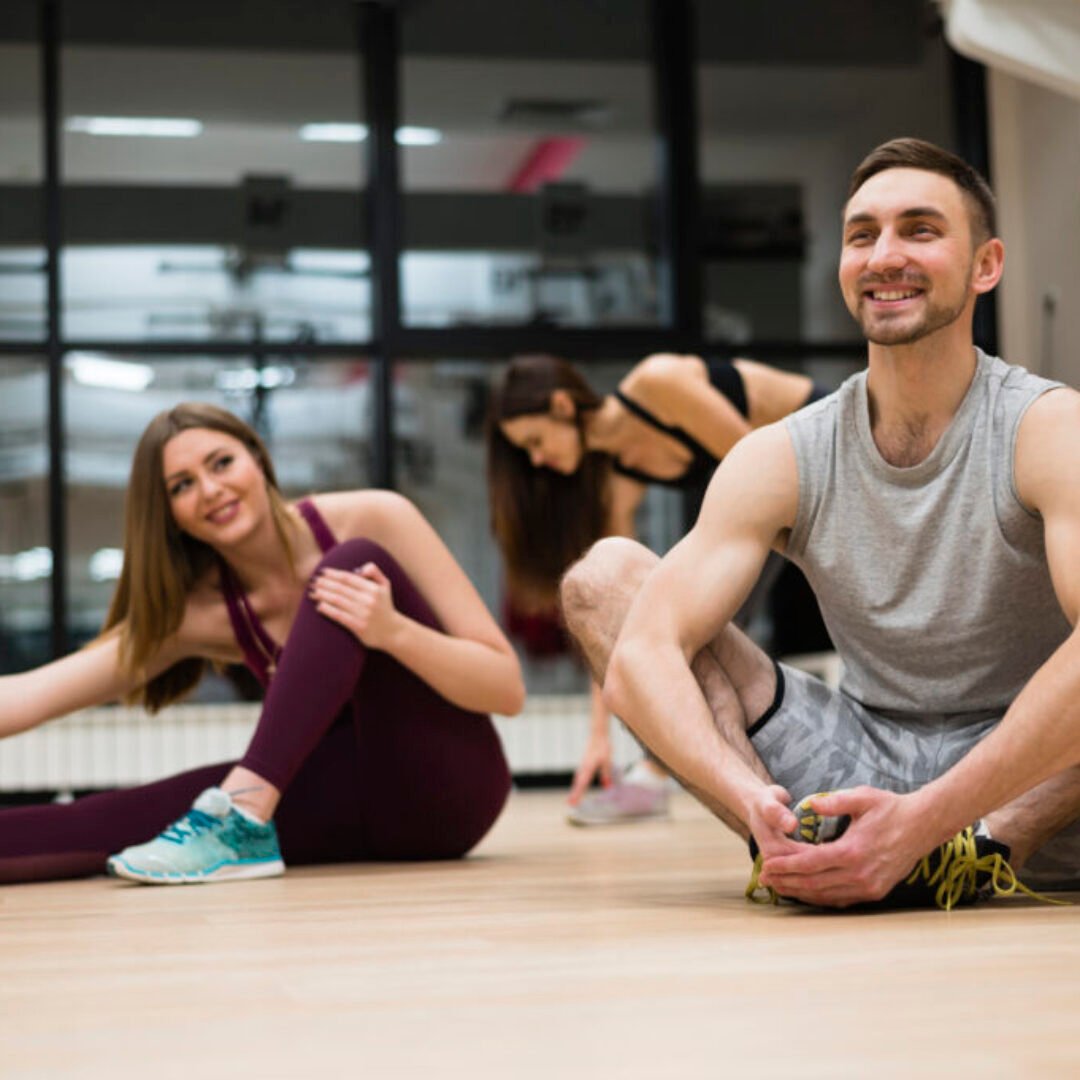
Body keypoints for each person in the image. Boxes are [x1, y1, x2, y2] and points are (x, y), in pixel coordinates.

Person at [559, 136, 1080, 909]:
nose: (884, 254)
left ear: (986, 266)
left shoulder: (1047, 427)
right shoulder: (784, 455)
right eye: (862, 235)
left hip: (1029, 774)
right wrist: (748, 800)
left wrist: (933, 822)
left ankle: (972, 855)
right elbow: (644, 652)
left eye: (920, 230)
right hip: (862, 750)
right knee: (604, 580)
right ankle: (796, 853)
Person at [0, 402, 524, 885]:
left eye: (221, 462)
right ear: (170, 516)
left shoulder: (374, 518)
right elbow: (28, 695)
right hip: (351, 807)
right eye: (182, 485)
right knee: (100, 820)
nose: (208, 489)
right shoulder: (198, 613)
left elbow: (506, 689)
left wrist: (393, 633)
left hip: (451, 793)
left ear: (257, 458)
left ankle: (244, 814)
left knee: (347, 564)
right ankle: (241, 819)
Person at [488, 352, 828, 825]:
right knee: (675, 620)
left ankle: (658, 773)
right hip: (777, 503)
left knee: (703, 616)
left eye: (535, 440)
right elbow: (617, 614)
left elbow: (766, 473)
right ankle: (669, 771)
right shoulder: (619, 478)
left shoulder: (659, 382)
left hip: (822, 454)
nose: (536, 458)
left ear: (563, 405)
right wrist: (599, 738)